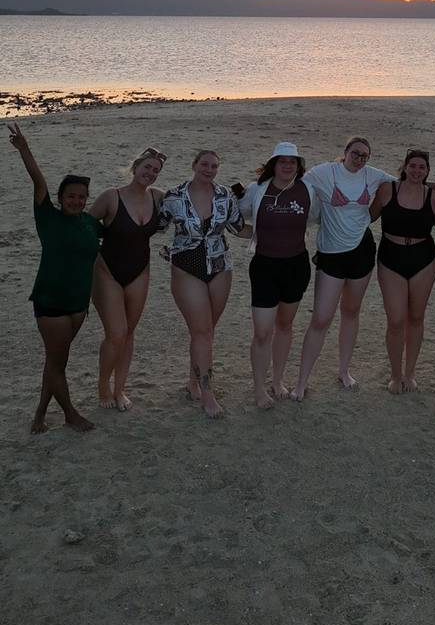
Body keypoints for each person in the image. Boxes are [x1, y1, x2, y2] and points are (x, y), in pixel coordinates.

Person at [8, 122, 101, 434]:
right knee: (57, 362)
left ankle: (39, 415)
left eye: (82, 196)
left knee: (55, 362)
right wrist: (24, 148)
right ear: (61, 197)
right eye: (71, 196)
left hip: (78, 303)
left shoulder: (90, 224)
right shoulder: (47, 216)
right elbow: (37, 180)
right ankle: (70, 414)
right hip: (51, 301)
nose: (77, 200)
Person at [291, 137, 394, 399]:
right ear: (345, 152)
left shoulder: (372, 175)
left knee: (351, 311)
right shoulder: (324, 172)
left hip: (362, 250)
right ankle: (301, 382)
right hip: (331, 254)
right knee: (321, 318)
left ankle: (344, 371)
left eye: (365, 156)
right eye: (356, 153)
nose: (359, 159)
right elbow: (293, 186)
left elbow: (404, 182)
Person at [158, 149, 243, 418]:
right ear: (194, 165)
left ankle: (193, 381)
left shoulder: (225, 195)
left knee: (206, 331)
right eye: (205, 164)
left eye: (214, 166)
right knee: (202, 331)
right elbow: (153, 226)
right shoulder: (173, 196)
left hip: (220, 266)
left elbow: (238, 228)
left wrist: (280, 230)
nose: (209, 169)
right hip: (186, 267)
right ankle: (208, 395)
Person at [239, 141, 318, 409]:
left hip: (297, 266)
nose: (287, 165)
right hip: (264, 267)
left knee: (284, 326)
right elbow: (239, 216)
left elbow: (317, 217)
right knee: (262, 332)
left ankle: (278, 380)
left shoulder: (308, 189)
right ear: (274, 164)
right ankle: (259, 389)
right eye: (282, 161)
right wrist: (240, 232)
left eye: (292, 162)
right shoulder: (257, 189)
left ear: (298, 166)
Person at [88, 147, 166, 411]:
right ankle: (103, 386)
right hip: (106, 270)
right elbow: (83, 227)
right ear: (136, 167)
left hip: (140, 271)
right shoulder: (111, 197)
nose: (151, 173)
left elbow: (189, 207)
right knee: (116, 333)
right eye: (147, 167)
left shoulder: (158, 198)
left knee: (129, 334)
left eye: (156, 170)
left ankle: (120, 389)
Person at [370, 149, 435, 393]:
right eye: (413, 166)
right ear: (404, 167)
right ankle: (395, 374)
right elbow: (365, 217)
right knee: (396, 320)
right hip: (391, 257)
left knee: (416, 317)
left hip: (424, 259)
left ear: (428, 171)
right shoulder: (388, 190)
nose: (417, 171)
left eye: (422, 167)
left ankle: (410, 373)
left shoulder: (433, 197)